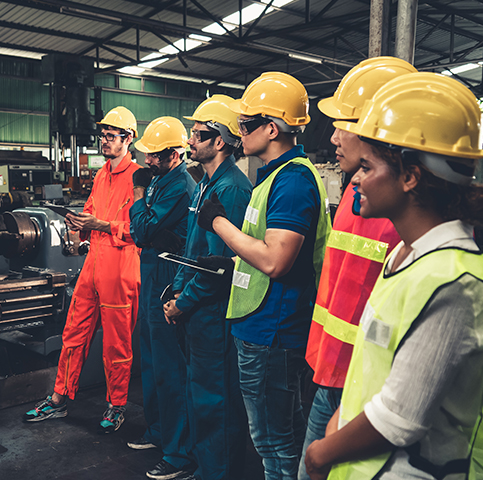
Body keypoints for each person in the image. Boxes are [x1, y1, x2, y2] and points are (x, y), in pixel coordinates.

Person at [304, 72, 483, 480]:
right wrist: (338, 422)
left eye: (367, 166)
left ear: (409, 177)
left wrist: (319, 453)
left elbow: (399, 419)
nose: (356, 178)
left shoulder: (455, 284)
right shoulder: (407, 254)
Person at [197, 73, 332, 479]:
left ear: (272, 128)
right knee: (280, 437)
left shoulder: (292, 179)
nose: (239, 132)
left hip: (272, 331)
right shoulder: (274, 175)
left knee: (273, 444)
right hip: (262, 325)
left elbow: (275, 261)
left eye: (245, 124)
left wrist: (218, 223)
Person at [298, 57, 415, 480]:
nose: (333, 136)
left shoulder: (407, 214)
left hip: (368, 387)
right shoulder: (355, 189)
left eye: (343, 124)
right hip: (332, 372)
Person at [23, 106, 142, 434]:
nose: (104, 141)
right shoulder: (101, 175)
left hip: (120, 269)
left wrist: (100, 224)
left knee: (116, 344)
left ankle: (117, 405)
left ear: (128, 139)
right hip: (92, 267)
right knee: (73, 334)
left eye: (111, 136)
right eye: (103, 136)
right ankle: (59, 398)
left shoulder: (139, 178)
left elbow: (141, 230)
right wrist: (78, 224)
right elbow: (91, 212)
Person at [163, 95, 252, 480]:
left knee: (216, 402)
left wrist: (185, 301)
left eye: (198, 134)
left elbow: (218, 267)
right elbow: (192, 249)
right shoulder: (204, 185)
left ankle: (219, 473)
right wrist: (176, 291)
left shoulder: (231, 189)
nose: (190, 140)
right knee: (200, 398)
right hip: (196, 310)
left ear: (220, 141)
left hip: (213, 312)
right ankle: (207, 469)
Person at [129, 116, 197, 479]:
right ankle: (158, 431)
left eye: (155, 155)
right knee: (152, 361)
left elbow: (141, 231)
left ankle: (179, 452)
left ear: (175, 154)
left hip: (168, 276)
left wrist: (138, 196)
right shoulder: (160, 179)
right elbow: (142, 230)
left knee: (170, 367)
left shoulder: (179, 186)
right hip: (151, 272)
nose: (147, 160)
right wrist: (144, 218)